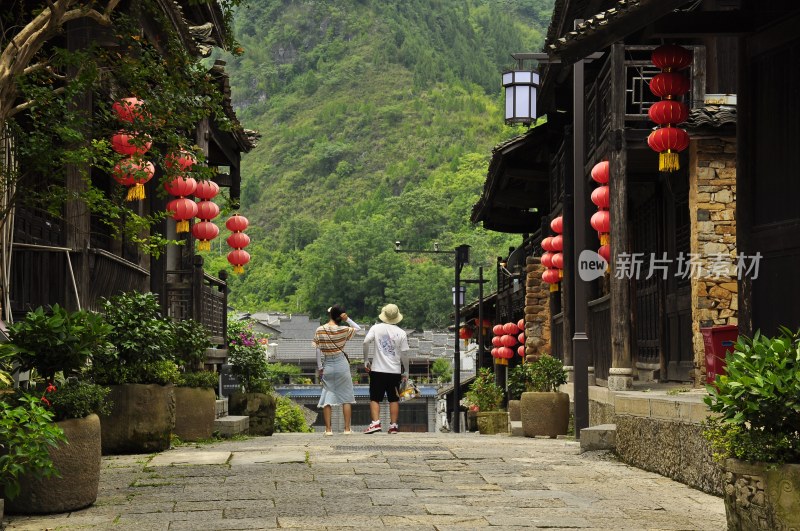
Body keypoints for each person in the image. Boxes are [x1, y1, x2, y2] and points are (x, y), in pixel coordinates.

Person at [314, 305, 362, 436]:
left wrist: (320, 368)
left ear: (330, 315)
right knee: (346, 397)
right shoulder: (343, 329)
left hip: (328, 364)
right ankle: (347, 429)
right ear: (341, 316)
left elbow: (318, 349)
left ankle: (328, 430)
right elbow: (359, 329)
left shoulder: (320, 330)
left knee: (327, 395)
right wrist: (347, 319)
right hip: (342, 364)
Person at [362, 303, 409, 434]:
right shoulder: (402, 333)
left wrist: (366, 360)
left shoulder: (376, 328)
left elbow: (365, 342)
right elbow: (404, 353)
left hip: (377, 370)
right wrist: (406, 371)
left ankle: (376, 423)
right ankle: (393, 425)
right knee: (394, 399)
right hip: (394, 371)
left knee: (375, 398)